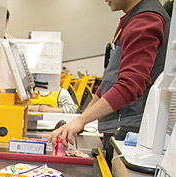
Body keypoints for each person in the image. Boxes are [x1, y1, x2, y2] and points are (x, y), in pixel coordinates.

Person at [49, 0, 169, 166]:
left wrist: (82, 120)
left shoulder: (145, 20)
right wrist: (80, 119)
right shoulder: (133, 18)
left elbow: (130, 85)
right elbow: (109, 83)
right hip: (118, 128)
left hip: (127, 134)